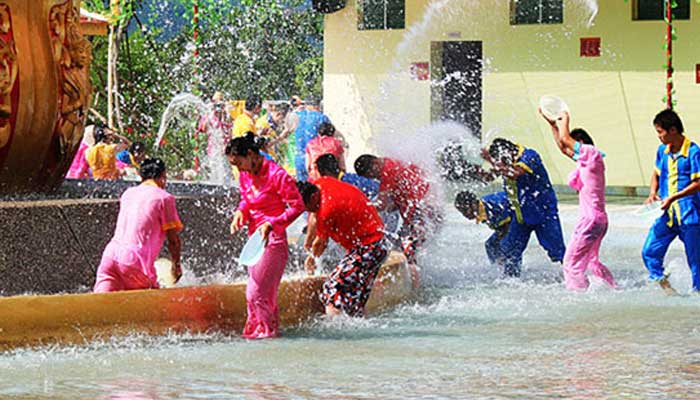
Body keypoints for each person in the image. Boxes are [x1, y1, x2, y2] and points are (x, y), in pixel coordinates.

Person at [227, 132, 305, 339]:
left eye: (239, 163)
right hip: (255, 241)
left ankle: (263, 334)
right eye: (234, 166)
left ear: (252, 154)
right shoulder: (246, 174)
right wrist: (240, 212)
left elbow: (298, 206)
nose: (239, 169)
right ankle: (264, 332)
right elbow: (246, 198)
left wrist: (273, 223)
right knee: (260, 294)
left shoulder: (277, 175)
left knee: (256, 293)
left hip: (274, 240)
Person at [542, 111, 616, 290]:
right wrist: (553, 126)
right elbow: (563, 147)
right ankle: (614, 288)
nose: (571, 148)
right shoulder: (586, 161)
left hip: (590, 220)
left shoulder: (591, 153)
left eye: (575, 144)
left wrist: (564, 117)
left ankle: (577, 295)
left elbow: (566, 140)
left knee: (570, 263)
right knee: (590, 260)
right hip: (598, 219)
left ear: (581, 143)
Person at [297, 179, 389, 317]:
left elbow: (321, 244)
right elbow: (313, 217)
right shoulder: (322, 183)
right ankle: (359, 329)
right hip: (379, 244)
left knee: (332, 286)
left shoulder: (326, 210)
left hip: (368, 248)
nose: (305, 211)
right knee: (355, 298)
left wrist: (311, 258)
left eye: (305, 207)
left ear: (313, 197)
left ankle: (336, 331)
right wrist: (308, 240)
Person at [94, 158, 183, 293]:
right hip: (135, 261)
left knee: (99, 306)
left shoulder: (128, 193)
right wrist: (176, 267)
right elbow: (173, 240)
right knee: (152, 306)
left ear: (141, 176)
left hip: (110, 256)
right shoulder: (164, 198)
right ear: (163, 175)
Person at [481, 138, 566, 277]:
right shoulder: (507, 163)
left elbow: (514, 173)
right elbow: (491, 176)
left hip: (543, 214)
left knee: (557, 250)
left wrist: (491, 161)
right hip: (521, 216)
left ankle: (575, 277)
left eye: (501, 160)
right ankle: (511, 280)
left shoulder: (530, 156)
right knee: (510, 251)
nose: (501, 164)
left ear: (508, 153)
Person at [641, 109, 700, 294]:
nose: (659, 136)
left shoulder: (693, 151)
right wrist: (652, 192)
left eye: (660, 131)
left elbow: (698, 183)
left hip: (690, 215)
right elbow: (656, 174)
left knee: (695, 260)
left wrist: (674, 197)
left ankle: (697, 294)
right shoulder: (662, 151)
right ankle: (665, 287)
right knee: (649, 251)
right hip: (667, 215)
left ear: (673, 130)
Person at [354, 154, 441, 266]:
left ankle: (412, 279)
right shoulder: (394, 162)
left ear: (375, 165)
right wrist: (395, 205)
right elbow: (407, 189)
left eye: (372, 175)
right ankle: (412, 274)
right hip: (426, 210)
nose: (375, 178)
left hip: (422, 211)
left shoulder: (387, 170)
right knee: (400, 247)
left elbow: (381, 204)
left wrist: (359, 209)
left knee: (407, 250)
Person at [454, 191, 512, 267]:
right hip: (506, 223)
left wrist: (502, 254)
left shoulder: (492, 207)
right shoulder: (482, 209)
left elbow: (509, 226)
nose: (465, 215)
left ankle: (512, 273)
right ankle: (497, 268)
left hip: (518, 218)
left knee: (508, 246)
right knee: (490, 245)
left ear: (474, 204)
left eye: (465, 210)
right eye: (461, 212)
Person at [292, 97, 330, 181]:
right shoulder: (321, 117)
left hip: (299, 159)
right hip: (314, 159)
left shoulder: (297, 116)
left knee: (302, 190)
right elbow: (330, 136)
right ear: (318, 106)